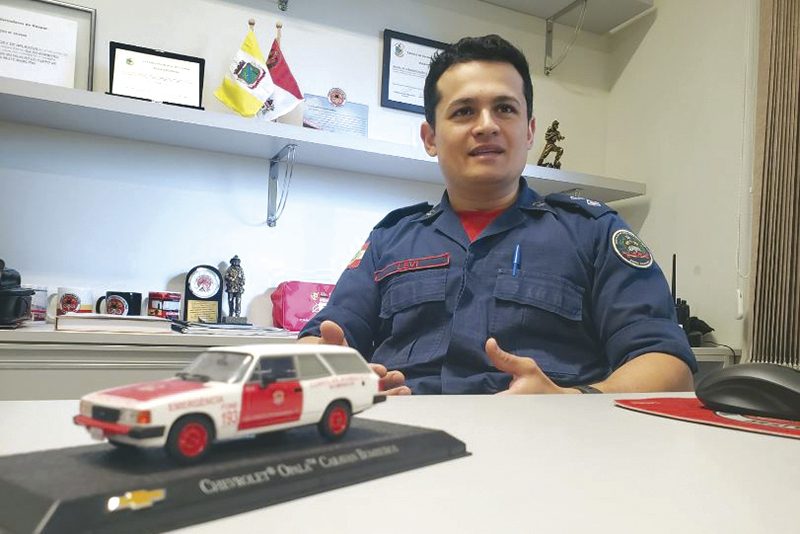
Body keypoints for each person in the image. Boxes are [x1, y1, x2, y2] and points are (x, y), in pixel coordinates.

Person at [298, 35, 696, 395]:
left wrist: (571, 400)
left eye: (504, 108)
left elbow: (668, 366)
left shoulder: (593, 233)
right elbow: (324, 337)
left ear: (529, 131)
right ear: (430, 138)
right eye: (464, 111)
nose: (486, 126)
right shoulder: (390, 239)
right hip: (402, 434)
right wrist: (332, 369)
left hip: (551, 442)